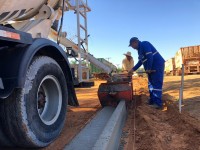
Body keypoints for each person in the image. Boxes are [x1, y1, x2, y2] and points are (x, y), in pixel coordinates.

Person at [128, 37, 165, 109]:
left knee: (156, 84)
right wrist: (132, 69)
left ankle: (158, 104)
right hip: (151, 67)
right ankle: (152, 100)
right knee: (150, 84)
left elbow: (150, 56)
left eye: (132, 45)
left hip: (157, 65)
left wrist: (149, 68)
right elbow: (141, 62)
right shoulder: (139, 50)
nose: (132, 47)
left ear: (135, 42)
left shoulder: (144, 44)